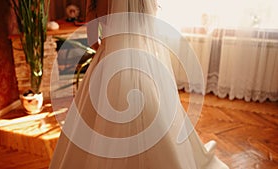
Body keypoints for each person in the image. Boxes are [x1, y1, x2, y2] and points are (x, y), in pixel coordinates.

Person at [49, 0, 230, 168]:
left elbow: (91, 39)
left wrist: (108, 48)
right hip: (140, 62)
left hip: (106, 63)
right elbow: (149, 34)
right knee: (154, 113)